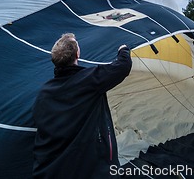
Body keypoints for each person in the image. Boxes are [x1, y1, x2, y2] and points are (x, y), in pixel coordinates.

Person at [32, 33, 132, 179]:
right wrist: (123, 49)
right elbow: (123, 66)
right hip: (92, 169)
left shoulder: (43, 93)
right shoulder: (89, 79)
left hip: (52, 171)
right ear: (77, 53)